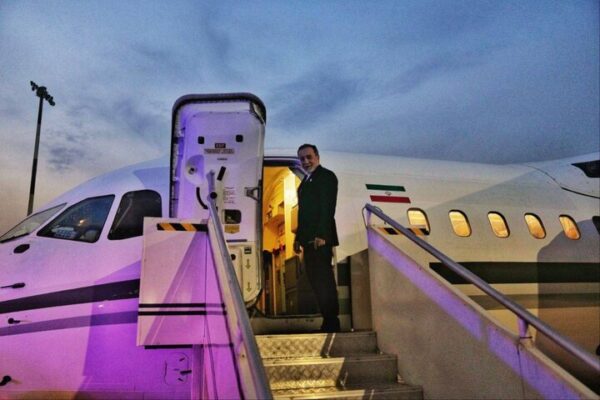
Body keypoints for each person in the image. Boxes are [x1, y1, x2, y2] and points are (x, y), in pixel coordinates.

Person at [293, 144, 340, 333]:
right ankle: (327, 320)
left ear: (317, 157)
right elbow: (303, 213)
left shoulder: (326, 177)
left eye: (309, 157)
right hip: (308, 241)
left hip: (320, 240)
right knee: (315, 280)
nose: (306, 161)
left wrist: (322, 235)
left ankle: (332, 321)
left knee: (324, 280)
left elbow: (327, 208)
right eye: (302, 158)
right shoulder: (305, 182)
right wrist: (298, 238)